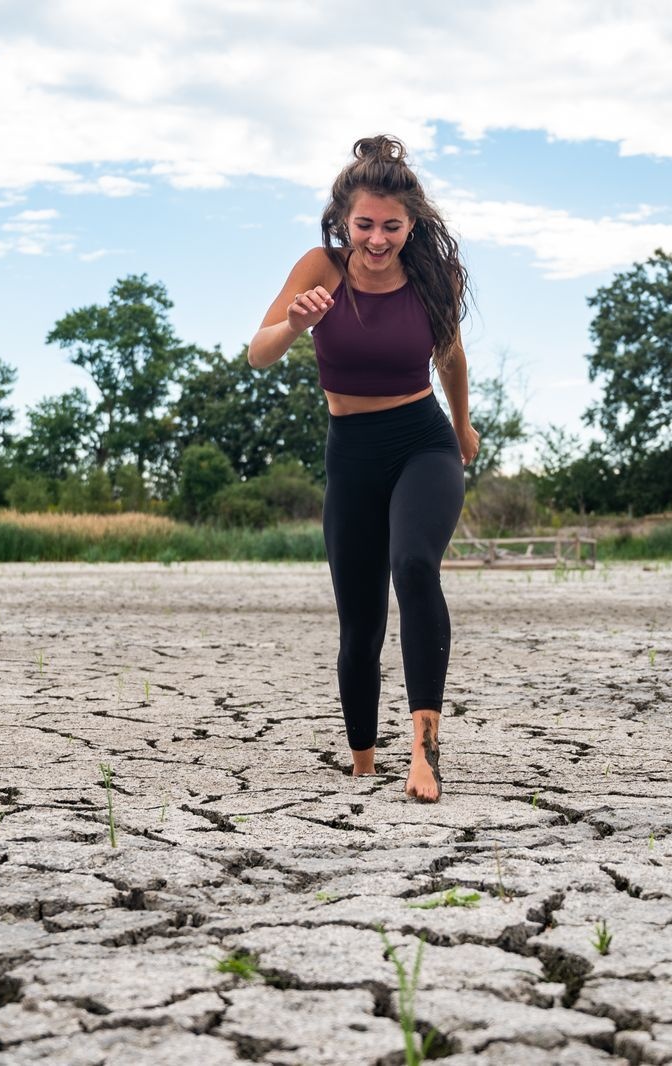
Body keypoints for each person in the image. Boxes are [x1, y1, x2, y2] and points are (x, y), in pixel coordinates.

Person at [248, 135, 478, 803]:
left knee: (413, 566)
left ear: (413, 224)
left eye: (392, 226)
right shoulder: (320, 269)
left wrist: (462, 428)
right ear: (344, 221)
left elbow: (452, 361)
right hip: (349, 452)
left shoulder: (433, 278)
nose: (378, 240)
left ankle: (425, 754)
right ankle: (362, 762)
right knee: (360, 623)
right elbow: (257, 355)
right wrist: (293, 324)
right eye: (365, 225)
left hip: (422, 443)